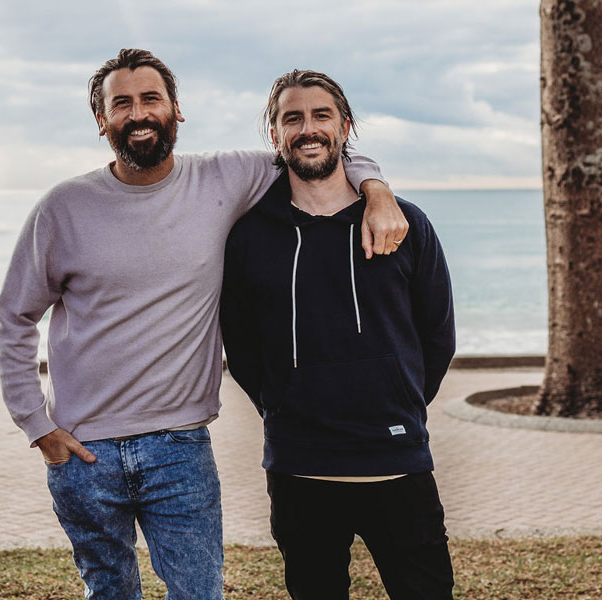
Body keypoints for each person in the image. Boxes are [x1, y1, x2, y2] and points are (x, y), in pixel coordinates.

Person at [0, 49, 406, 600]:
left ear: (175, 109)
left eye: (150, 99)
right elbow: (14, 315)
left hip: (180, 447)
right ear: (102, 120)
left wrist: (377, 190)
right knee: (108, 592)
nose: (138, 113)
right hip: (85, 453)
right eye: (122, 103)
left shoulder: (225, 177)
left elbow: (312, 151)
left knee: (199, 594)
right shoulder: (64, 207)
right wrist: (35, 425)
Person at [220, 69, 456, 600]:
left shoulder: (404, 224)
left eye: (321, 115)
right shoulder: (251, 237)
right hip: (301, 469)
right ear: (276, 135)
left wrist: (401, 402)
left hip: (397, 463)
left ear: (345, 127)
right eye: (292, 118)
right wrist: (285, 407)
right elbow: (243, 349)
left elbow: (437, 335)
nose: (308, 128)